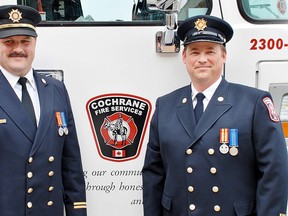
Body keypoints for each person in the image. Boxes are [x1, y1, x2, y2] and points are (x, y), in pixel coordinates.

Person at [142, 15, 288, 216]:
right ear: (184, 57)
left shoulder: (254, 103)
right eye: (194, 52)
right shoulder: (165, 106)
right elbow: (153, 174)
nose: (202, 59)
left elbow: (274, 172)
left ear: (224, 56)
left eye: (210, 51)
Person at [0, 5, 87, 216]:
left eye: (25, 41)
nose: (18, 48)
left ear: (35, 43)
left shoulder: (55, 89)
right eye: (8, 42)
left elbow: (70, 163)